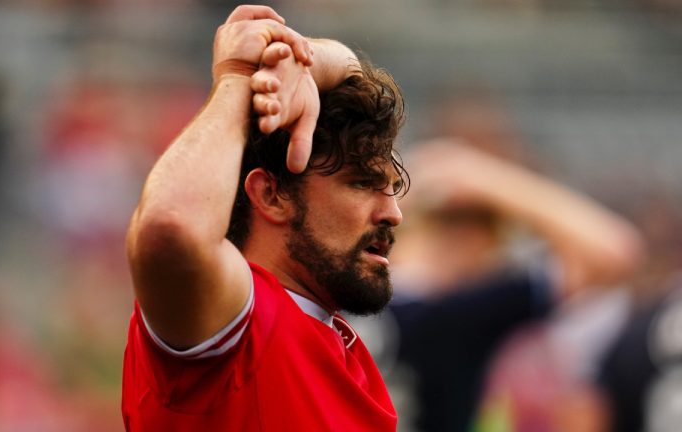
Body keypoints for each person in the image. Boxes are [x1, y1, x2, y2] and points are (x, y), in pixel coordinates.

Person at [121, 5, 407, 430]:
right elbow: (171, 227)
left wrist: (301, 61)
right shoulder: (235, 320)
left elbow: (351, 65)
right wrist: (238, 76)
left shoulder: (344, 349)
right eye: (362, 183)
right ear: (271, 196)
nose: (393, 213)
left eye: (392, 190)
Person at [379, 139, 644, 432]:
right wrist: (485, 178)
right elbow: (615, 250)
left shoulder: (344, 283)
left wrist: (408, 186)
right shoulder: (465, 309)